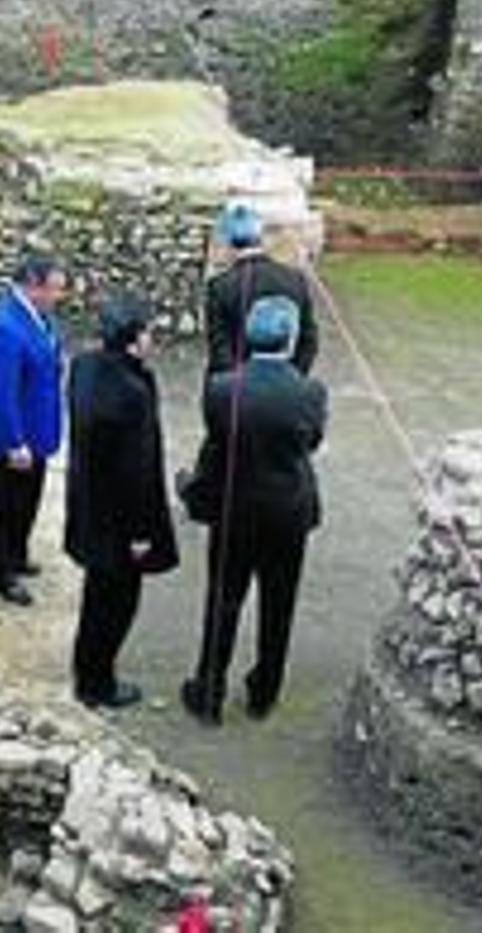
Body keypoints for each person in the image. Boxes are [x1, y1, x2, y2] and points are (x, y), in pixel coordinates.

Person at [180, 294, 327, 725]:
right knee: (278, 605)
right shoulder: (310, 393)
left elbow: (218, 441)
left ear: (247, 336)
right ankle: (264, 691)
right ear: (292, 338)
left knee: (223, 602)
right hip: (287, 513)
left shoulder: (222, 389)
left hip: (235, 510)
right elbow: (311, 442)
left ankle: (208, 694)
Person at [64, 294, 179, 709]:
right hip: (119, 523)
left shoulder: (84, 367)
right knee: (115, 606)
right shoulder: (131, 391)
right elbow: (138, 471)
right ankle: (98, 684)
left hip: (89, 507)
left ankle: (86, 673)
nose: (152, 338)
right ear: (133, 339)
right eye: (147, 331)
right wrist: (141, 532)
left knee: (95, 599)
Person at [0, 252, 69, 606]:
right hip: (16, 437)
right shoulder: (4, 327)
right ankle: (2, 573)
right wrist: (13, 443)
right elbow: (1, 392)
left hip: (37, 431)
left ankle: (18, 554)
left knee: (28, 500)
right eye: (55, 289)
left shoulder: (36, 317)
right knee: (8, 506)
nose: (61, 296)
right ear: (33, 286)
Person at [204, 199, 318, 377]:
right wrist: (294, 378)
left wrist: (233, 388)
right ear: (260, 238)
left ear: (228, 242)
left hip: (233, 390)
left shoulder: (219, 286)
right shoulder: (295, 279)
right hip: (288, 386)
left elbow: (219, 349)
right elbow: (309, 340)